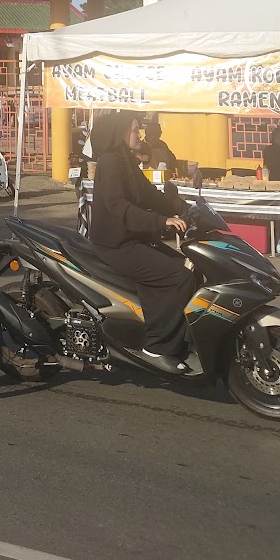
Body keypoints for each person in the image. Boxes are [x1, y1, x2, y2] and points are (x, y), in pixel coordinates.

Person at [88, 111, 196, 374]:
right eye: (136, 129)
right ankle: (157, 345)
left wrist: (183, 207)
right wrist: (161, 222)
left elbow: (148, 195)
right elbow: (118, 206)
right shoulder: (110, 163)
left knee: (189, 267)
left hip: (133, 238)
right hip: (116, 244)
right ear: (122, 133)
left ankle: (177, 335)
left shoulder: (125, 160)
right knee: (179, 276)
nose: (140, 134)